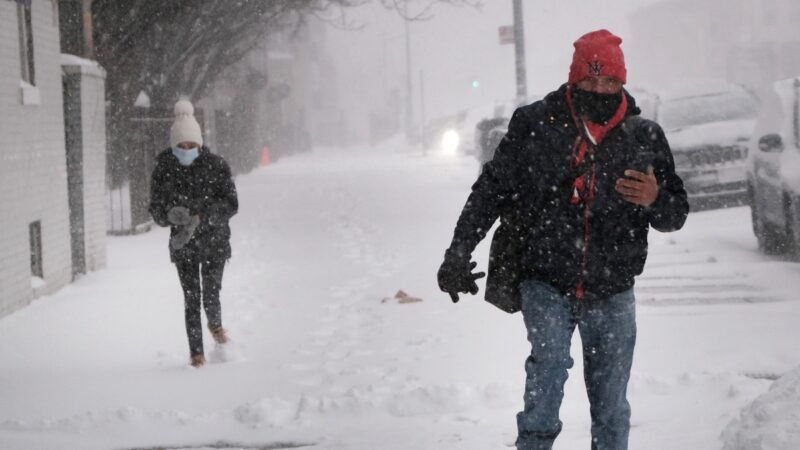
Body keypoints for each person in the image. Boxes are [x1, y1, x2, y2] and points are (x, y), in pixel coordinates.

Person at [437, 30, 689, 449]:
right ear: (574, 81)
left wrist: (655, 198)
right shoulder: (536, 124)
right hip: (545, 280)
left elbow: (675, 213)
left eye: (609, 81)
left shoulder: (643, 135)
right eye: (590, 81)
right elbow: (491, 189)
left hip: (613, 287)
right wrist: (458, 252)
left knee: (611, 402)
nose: (600, 89)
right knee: (548, 370)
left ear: (622, 83)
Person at [149, 100, 239, 368]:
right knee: (191, 299)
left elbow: (231, 203)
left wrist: (206, 215)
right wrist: (169, 214)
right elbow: (155, 209)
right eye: (181, 146)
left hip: (214, 241)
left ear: (199, 144)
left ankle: (216, 326)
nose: (186, 150)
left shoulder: (216, 166)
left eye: (191, 146)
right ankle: (196, 354)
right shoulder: (164, 169)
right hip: (184, 245)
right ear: (174, 146)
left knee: (211, 293)